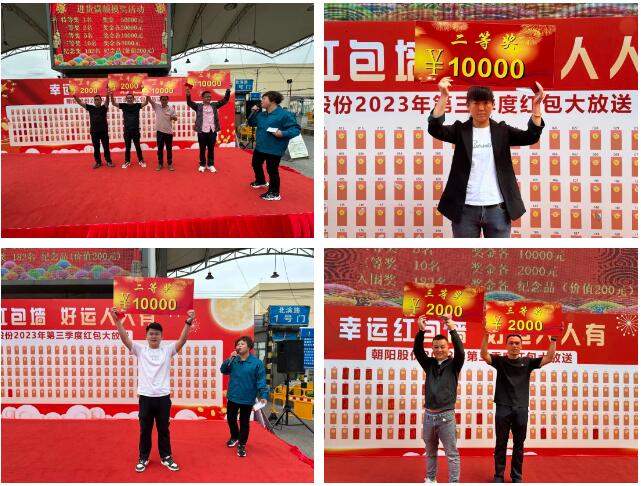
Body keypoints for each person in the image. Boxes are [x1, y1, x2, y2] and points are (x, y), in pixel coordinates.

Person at [427, 77, 546, 238]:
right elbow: (435, 129)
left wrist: (537, 106)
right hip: (465, 209)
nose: (481, 108)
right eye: (476, 103)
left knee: (499, 254)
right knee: (465, 254)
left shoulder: (502, 131)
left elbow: (530, 137)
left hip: (497, 209)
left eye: (486, 103)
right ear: (468, 105)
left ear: (493, 105)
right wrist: (443, 96)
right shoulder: (460, 130)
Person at [110, 307, 196, 473]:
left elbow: (182, 340)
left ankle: (166, 457)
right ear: (146, 336)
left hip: (163, 397)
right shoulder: (140, 350)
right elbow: (124, 338)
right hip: (145, 397)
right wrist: (117, 320)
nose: (154, 336)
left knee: (164, 429)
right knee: (145, 430)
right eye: (151, 333)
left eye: (157, 334)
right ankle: (143, 457)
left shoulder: (167, 350)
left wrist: (188, 322)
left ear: (162, 336)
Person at [480, 332, 557, 482]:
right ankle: (499, 475)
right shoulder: (500, 361)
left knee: (519, 444)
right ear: (506, 346)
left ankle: (516, 476)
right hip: (503, 407)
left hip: (521, 408)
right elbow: (484, 354)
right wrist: (487, 335)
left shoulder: (527, 362)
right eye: (511, 343)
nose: (514, 346)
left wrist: (553, 339)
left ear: (521, 346)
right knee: (500, 444)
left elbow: (549, 358)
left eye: (517, 343)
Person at [413, 314, 464, 483]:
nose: (439, 350)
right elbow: (418, 351)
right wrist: (421, 331)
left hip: (446, 416)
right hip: (429, 416)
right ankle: (430, 479)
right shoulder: (429, 364)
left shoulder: (455, 364)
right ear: (432, 349)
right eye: (436, 347)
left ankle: (453, 482)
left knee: (451, 453)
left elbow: (461, 351)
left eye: (442, 347)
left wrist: (452, 329)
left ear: (448, 348)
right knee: (430, 452)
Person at [220, 336, 268, 458]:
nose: (239, 346)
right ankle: (234, 436)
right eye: (238, 344)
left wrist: (263, 395)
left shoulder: (256, 363)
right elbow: (223, 370)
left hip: (247, 398)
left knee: (244, 422)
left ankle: (242, 444)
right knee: (231, 419)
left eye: (242, 344)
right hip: (233, 396)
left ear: (249, 347)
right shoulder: (233, 360)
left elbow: (261, 381)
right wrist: (230, 358)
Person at [247, 91, 301, 201]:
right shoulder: (262, 114)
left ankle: (274, 192)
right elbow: (251, 123)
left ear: (272, 101)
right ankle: (261, 181)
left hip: (274, 148)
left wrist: (283, 133)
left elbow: (296, 129)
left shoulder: (284, 115)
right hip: (260, 146)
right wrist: (253, 112)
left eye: (264, 99)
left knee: (272, 170)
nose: (261, 101)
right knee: (255, 164)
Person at [186, 87, 231, 173]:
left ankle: (210, 164)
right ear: (202, 98)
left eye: (210, 97)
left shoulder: (214, 105)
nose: (209, 98)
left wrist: (228, 90)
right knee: (202, 149)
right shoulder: (198, 106)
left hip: (212, 131)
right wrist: (188, 95)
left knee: (211, 149)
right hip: (202, 132)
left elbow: (225, 100)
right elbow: (189, 103)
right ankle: (202, 164)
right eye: (206, 97)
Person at [73, 93, 113, 169]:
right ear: (94, 101)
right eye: (95, 100)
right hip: (94, 132)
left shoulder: (104, 107)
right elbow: (80, 102)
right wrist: (74, 95)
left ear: (101, 101)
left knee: (106, 147)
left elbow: (107, 101)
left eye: (98, 100)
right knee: (96, 148)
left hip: (103, 131)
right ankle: (98, 162)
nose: (96, 101)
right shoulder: (91, 108)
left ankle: (109, 161)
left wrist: (107, 95)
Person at [109, 90, 148, 168]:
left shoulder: (137, 105)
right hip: (127, 130)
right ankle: (127, 161)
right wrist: (112, 95)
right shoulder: (123, 105)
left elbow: (146, 102)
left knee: (137, 146)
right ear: (126, 99)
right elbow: (113, 103)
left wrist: (146, 92)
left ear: (133, 99)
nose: (129, 99)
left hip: (135, 130)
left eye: (131, 98)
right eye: (128, 98)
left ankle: (141, 160)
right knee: (128, 147)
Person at [146, 95, 178, 170]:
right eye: (162, 99)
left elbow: (176, 118)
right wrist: (147, 93)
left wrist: (173, 117)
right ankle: (160, 164)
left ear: (167, 100)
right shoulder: (157, 107)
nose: (164, 101)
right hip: (159, 132)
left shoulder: (171, 108)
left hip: (168, 132)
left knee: (169, 149)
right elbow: (150, 100)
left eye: (165, 100)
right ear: (160, 100)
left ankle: (170, 164)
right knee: (160, 149)